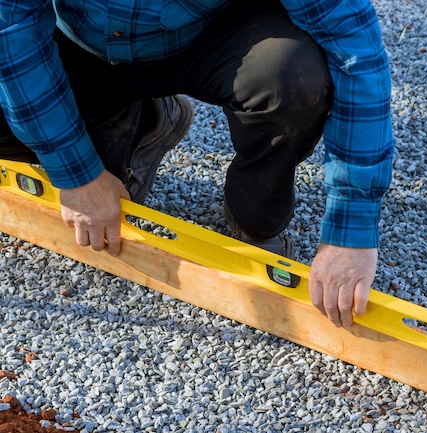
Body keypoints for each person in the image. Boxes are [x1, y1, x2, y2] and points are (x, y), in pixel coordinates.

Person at [0, 0, 394, 328]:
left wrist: (351, 230)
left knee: (293, 78)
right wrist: (79, 174)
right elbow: (12, 34)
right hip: (83, 44)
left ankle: (254, 214)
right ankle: (144, 124)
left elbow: (354, 52)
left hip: (208, 37)